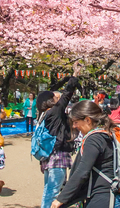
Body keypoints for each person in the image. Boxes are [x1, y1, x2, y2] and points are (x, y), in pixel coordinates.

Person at [49, 100, 115, 208]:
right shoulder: (106, 133)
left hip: (100, 197)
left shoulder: (94, 139)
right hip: (107, 193)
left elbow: (82, 171)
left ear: (88, 120)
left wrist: (61, 199)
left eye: (76, 122)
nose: (74, 126)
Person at [37, 68, 81, 208]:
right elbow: (67, 94)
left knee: (49, 190)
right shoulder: (54, 113)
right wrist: (74, 76)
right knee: (53, 192)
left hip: (48, 157)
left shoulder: (42, 116)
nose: (58, 99)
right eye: (56, 98)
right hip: (57, 157)